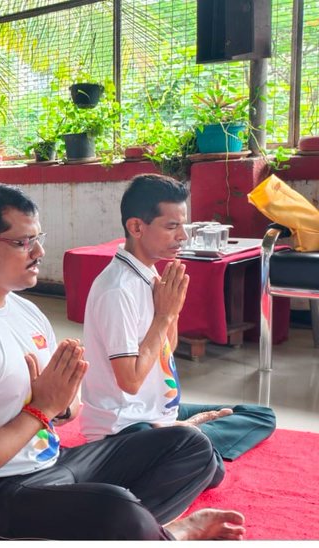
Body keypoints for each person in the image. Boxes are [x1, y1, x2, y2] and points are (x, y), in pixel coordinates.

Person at [0, 183, 245, 540]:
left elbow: (67, 408)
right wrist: (42, 407)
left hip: (52, 465)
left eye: (37, 237)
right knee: (115, 508)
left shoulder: (26, 311)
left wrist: (58, 405)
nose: (40, 251)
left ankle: (134, 531)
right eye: (23, 242)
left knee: (191, 445)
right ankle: (162, 534)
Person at [80, 174, 275, 488]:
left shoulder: (151, 275)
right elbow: (129, 381)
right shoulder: (117, 290)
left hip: (158, 411)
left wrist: (170, 315)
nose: (183, 236)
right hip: (125, 428)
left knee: (260, 414)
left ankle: (186, 439)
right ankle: (189, 442)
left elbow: (165, 352)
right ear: (136, 227)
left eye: (183, 225)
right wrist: (165, 315)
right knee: (212, 470)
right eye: (171, 227)